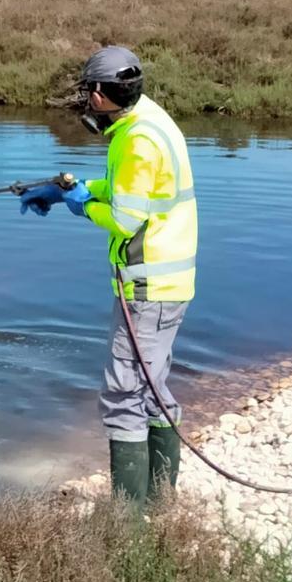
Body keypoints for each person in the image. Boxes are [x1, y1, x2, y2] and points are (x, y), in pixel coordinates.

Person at [18, 46, 198, 506]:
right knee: (152, 387)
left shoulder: (136, 140)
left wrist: (80, 205)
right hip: (168, 284)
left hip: (146, 287)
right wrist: (67, 191)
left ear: (99, 94)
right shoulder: (150, 119)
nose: (87, 102)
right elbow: (129, 190)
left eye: (87, 92)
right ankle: (161, 504)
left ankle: (128, 525)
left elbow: (125, 218)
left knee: (123, 394)